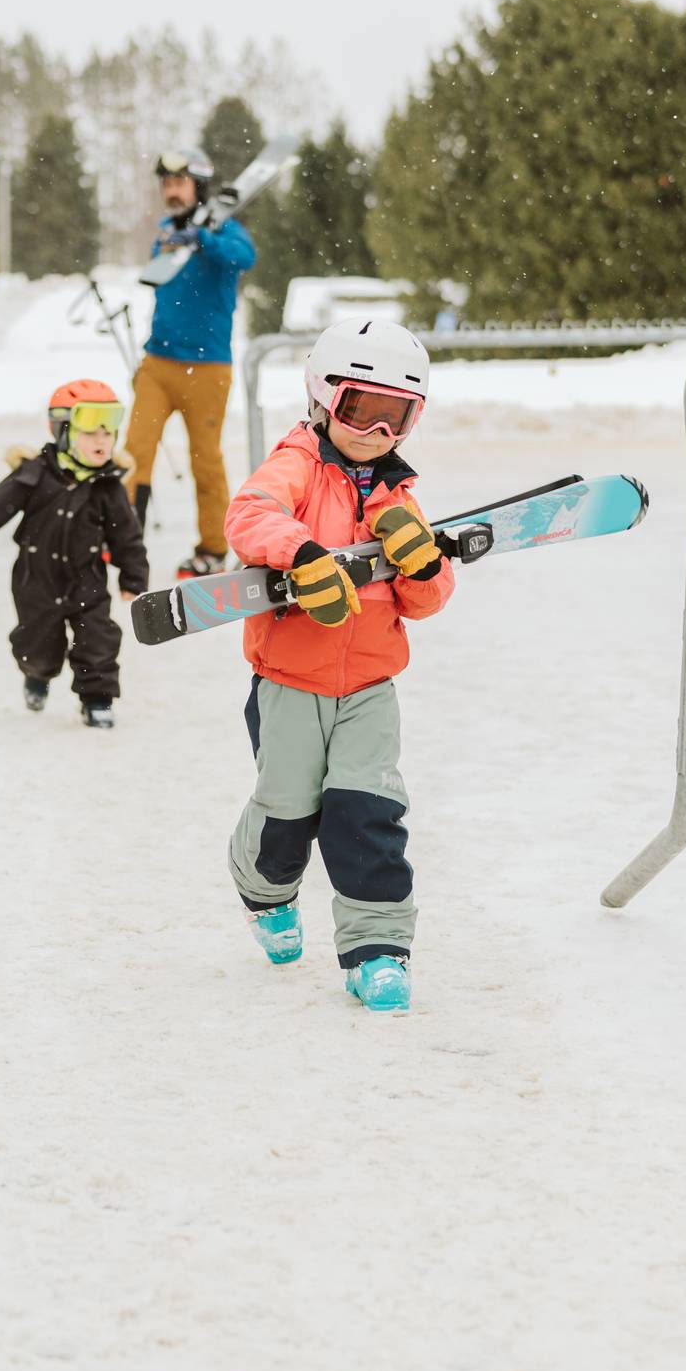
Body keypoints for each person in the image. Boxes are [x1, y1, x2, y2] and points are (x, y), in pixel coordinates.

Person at [222, 317, 455, 1011]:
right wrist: (299, 553)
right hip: (290, 685)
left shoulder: (397, 496)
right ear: (325, 398)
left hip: (370, 689)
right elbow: (249, 514)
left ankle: (378, 949)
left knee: (367, 812)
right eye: (362, 410)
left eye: (396, 417)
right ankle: (264, 891)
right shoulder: (296, 463)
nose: (377, 433)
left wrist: (424, 564)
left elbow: (427, 603)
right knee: (289, 816)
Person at [0, 380, 148, 730]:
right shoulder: (33, 474)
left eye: (108, 433)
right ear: (62, 432)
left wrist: (134, 576)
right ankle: (36, 675)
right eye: (91, 432)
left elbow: (127, 537)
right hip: (35, 582)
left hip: (87, 582)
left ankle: (97, 700)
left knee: (99, 640)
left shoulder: (108, 486)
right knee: (37, 646)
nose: (102, 441)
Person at [122, 148, 256, 579]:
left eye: (179, 183)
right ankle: (124, 541)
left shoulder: (226, 231)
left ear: (198, 187)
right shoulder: (165, 233)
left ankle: (212, 550)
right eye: (166, 184)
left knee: (205, 461)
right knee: (134, 453)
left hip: (208, 368)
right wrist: (181, 239)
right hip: (158, 364)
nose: (171, 191)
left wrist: (204, 239)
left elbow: (244, 258)